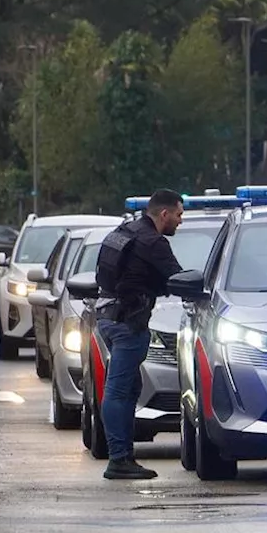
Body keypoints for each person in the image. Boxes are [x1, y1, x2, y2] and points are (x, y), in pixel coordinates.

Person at [94, 188, 185, 480]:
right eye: (179, 215)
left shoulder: (125, 231)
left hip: (108, 319)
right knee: (119, 391)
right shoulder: (154, 243)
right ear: (164, 214)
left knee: (128, 389)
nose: (180, 221)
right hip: (128, 325)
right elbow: (178, 279)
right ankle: (118, 459)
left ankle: (124, 456)